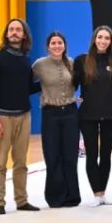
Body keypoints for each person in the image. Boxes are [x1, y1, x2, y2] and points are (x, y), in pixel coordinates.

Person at [0, 19, 41, 214]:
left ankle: (21, 201)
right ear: (6, 34)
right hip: (2, 117)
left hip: (24, 115)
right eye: (11, 29)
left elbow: (27, 88)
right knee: (0, 162)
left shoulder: (26, 60)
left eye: (18, 29)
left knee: (21, 162)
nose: (14, 32)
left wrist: (47, 83)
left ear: (24, 35)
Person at [73, 26, 112, 207]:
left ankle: (104, 192)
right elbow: (72, 83)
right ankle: (96, 192)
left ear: (111, 41)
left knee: (106, 155)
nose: (103, 41)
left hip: (110, 115)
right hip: (88, 115)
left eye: (106, 38)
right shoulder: (82, 60)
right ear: (94, 39)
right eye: (100, 37)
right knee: (91, 155)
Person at [32, 32, 80, 209]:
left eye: (60, 42)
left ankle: (72, 196)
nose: (57, 46)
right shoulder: (39, 65)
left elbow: (77, 83)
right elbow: (27, 84)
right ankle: (55, 197)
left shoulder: (72, 62)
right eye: (53, 43)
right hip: (50, 114)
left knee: (70, 156)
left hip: (70, 113)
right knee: (52, 156)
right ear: (48, 46)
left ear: (64, 45)